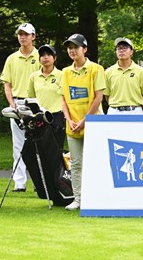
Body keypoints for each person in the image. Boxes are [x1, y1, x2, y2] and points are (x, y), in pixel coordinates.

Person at [61, 33, 106, 211]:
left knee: (95, 162)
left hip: (93, 123)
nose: (72, 50)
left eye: (76, 47)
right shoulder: (65, 72)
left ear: (85, 49)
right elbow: (63, 99)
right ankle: (78, 199)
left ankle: (97, 197)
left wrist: (85, 120)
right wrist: (70, 119)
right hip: (72, 125)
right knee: (76, 163)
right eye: (70, 47)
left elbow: (98, 97)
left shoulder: (96, 69)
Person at [0, 23, 40, 192]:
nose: (22, 37)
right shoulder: (11, 58)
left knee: (39, 144)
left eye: (26, 34)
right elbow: (7, 84)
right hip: (16, 103)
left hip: (35, 103)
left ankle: (40, 183)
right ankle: (20, 182)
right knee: (18, 144)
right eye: (20, 34)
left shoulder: (41, 56)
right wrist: (12, 104)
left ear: (33, 36)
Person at [28, 44, 65, 148]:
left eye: (49, 54)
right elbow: (31, 97)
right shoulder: (34, 76)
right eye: (42, 55)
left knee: (57, 150)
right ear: (39, 59)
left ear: (55, 58)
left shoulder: (62, 75)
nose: (45, 57)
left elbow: (65, 97)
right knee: (41, 149)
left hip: (57, 117)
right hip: (40, 117)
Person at [105, 37, 143, 115]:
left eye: (125, 48)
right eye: (118, 48)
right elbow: (107, 95)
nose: (121, 50)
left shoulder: (141, 71)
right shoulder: (108, 72)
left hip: (135, 111)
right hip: (114, 111)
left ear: (131, 52)